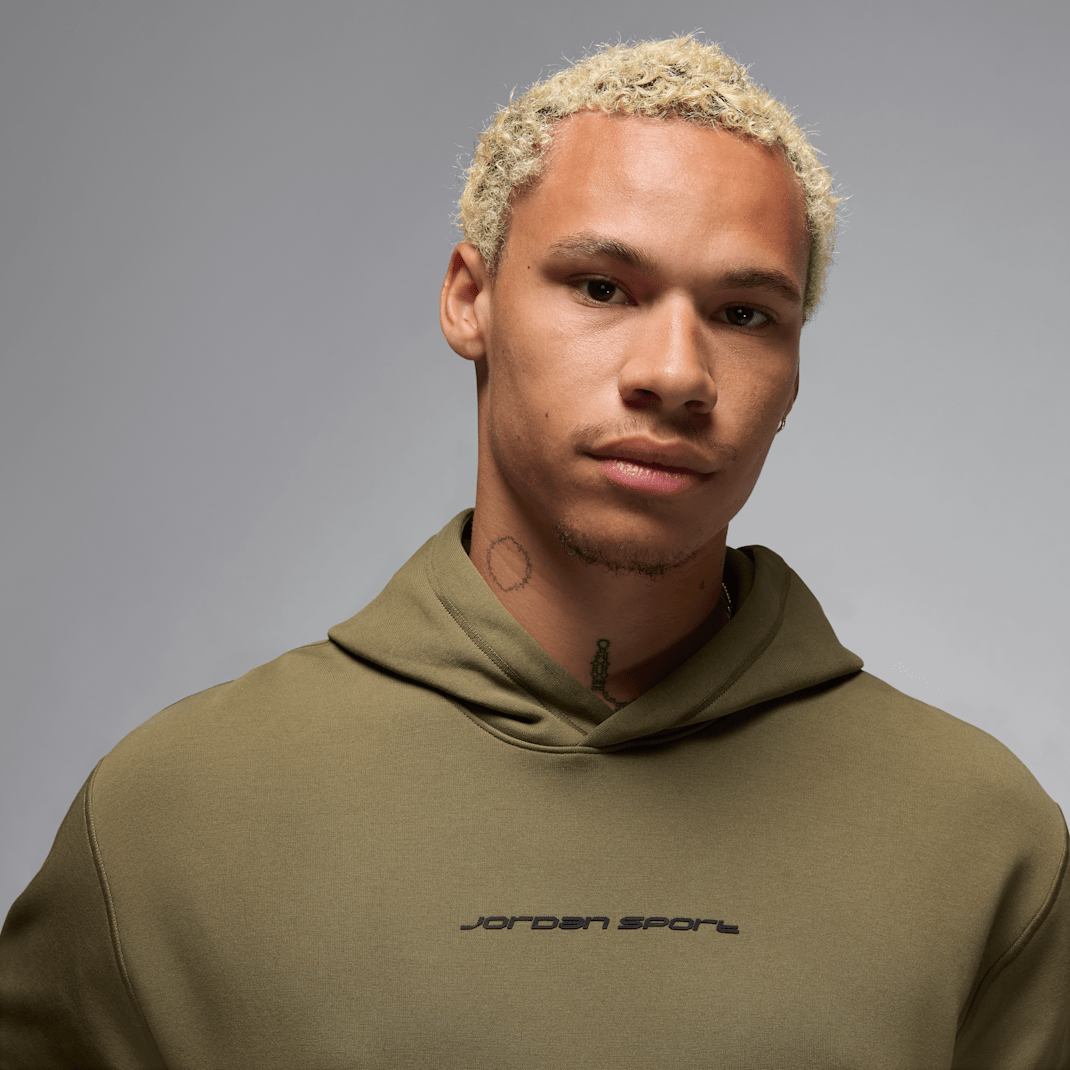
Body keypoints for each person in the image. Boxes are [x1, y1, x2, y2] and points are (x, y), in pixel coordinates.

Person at [1, 34, 1067, 1069]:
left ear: (793, 369)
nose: (675, 372)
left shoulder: (983, 843)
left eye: (743, 312)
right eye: (602, 287)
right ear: (470, 300)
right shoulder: (163, 819)